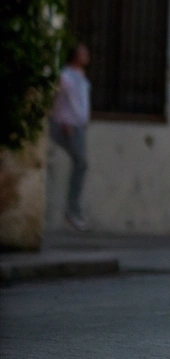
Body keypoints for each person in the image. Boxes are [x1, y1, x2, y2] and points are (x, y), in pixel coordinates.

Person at [48, 44, 92, 232]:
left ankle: (73, 210)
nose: (87, 55)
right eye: (83, 52)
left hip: (78, 125)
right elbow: (59, 99)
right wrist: (64, 121)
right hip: (67, 125)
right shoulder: (65, 76)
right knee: (81, 162)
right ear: (74, 55)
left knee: (81, 163)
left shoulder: (81, 76)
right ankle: (72, 210)